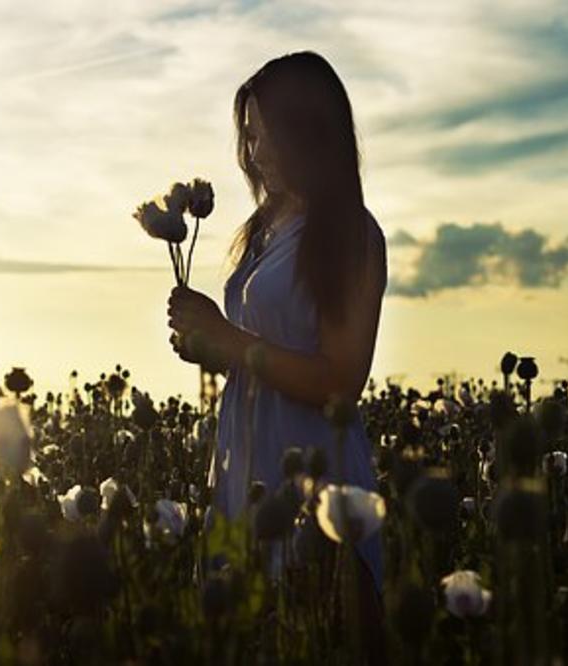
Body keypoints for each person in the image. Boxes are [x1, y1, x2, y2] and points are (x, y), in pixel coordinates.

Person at [166, 51, 388, 662]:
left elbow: (341, 382)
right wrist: (210, 346)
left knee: (316, 636)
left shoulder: (349, 233)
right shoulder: (263, 230)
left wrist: (229, 340)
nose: (253, 153)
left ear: (306, 133)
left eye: (263, 135)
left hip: (316, 479)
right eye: (248, 135)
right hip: (246, 473)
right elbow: (263, 349)